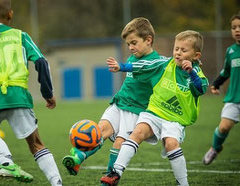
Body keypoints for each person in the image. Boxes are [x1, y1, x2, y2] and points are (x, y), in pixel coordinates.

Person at [0, 0, 62, 185]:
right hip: (19, 97)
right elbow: (41, 62)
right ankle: (57, 183)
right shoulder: (21, 36)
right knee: (36, 144)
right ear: (11, 15)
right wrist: (48, 93)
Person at [62, 17, 167, 178]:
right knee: (98, 131)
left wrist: (190, 62)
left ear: (148, 40)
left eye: (134, 42)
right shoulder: (135, 56)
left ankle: (111, 177)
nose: (131, 47)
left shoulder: (156, 62)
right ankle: (77, 159)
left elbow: (168, 63)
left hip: (135, 110)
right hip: (119, 103)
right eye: (128, 44)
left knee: (120, 142)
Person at [100, 30, 208, 186]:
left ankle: (183, 183)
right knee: (137, 132)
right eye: (176, 48)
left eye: (184, 50)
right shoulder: (164, 64)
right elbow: (143, 65)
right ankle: (115, 172)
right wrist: (121, 67)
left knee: (171, 144)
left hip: (175, 119)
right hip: (154, 112)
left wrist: (191, 73)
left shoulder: (196, 72)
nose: (178, 53)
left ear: (196, 55)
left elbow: (201, 89)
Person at [203, 11, 240, 170]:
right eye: (233, 27)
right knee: (224, 127)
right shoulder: (231, 51)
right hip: (234, 96)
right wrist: (216, 84)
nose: (237, 30)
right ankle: (215, 149)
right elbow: (226, 71)